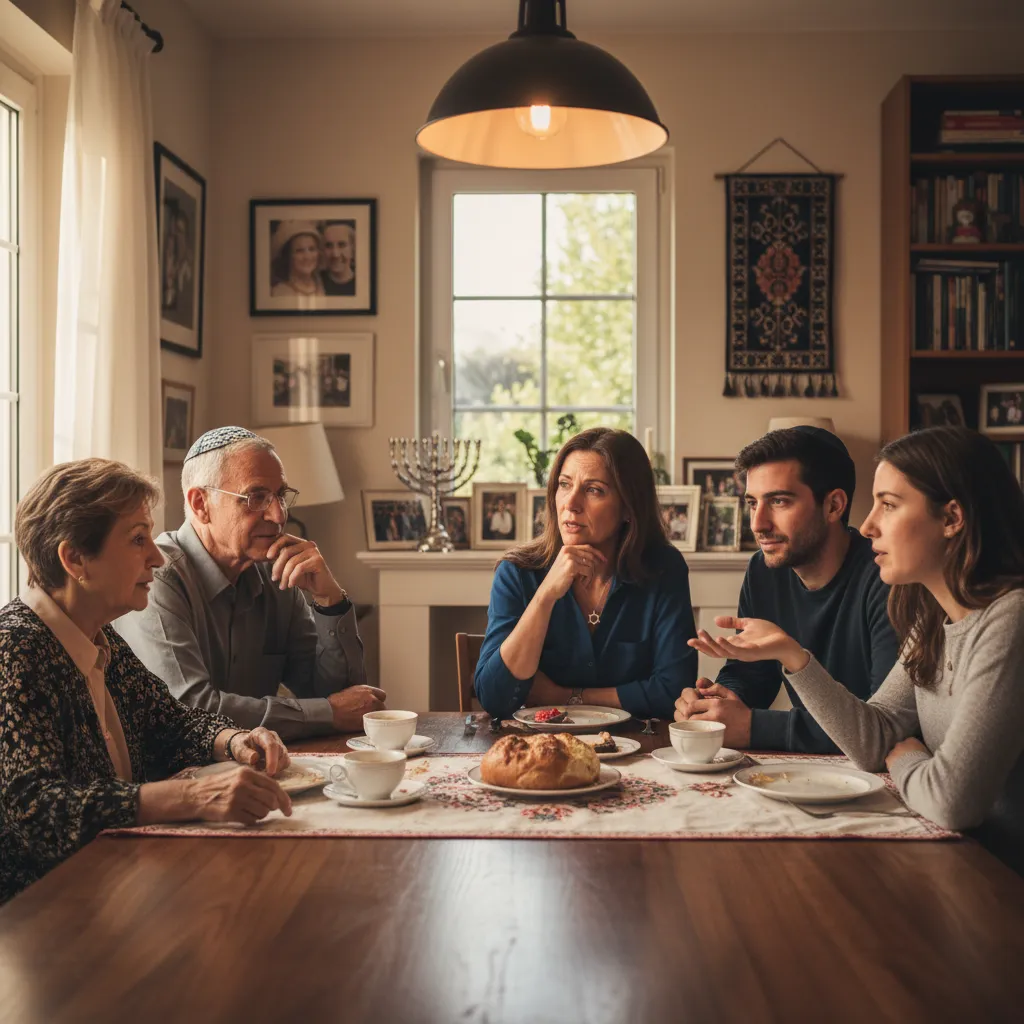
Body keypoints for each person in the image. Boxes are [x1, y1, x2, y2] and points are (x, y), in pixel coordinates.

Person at [689, 427, 1024, 873]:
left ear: (951, 518)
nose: (868, 526)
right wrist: (794, 658)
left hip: (1002, 874)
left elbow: (951, 800)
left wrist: (906, 755)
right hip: (955, 856)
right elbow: (873, 741)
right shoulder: (930, 616)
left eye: (888, 504)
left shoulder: (1010, 619)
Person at [0, 459, 294, 904]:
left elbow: (168, 722)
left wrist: (235, 739)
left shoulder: (98, 637)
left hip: (115, 887)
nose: (156, 555)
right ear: (75, 558)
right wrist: (193, 796)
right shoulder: (14, 650)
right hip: (41, 918)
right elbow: (44, 812)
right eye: (138, 539)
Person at [115, 427, 383, 741]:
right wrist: (327, 713)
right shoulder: (157, 578)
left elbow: (345, 699)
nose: (278, 514)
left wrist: (330, 600)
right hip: (177, 777)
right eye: (256, 497)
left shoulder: (276, 576)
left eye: (281, 495)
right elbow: (189, 710)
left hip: (261, 766)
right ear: (201, 503)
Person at [675, 427, 899, 753]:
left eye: (779, 501)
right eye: (753, 503)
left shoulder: (887, 579)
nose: (758, 523)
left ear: (834, 505)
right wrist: (718, 700)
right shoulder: (763, 571)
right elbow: (752, 673)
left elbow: (882, 728)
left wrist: (753, 727)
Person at [475, 427, 698, 721]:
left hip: (639, 749)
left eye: (594, 490)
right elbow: (494, 697)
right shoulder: (517, 572)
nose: (571, 503)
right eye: (564, 484)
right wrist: (544, 597)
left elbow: (674, 691)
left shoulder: (663, 569)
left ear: (629, 508)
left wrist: (564, 697)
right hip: (540, 749)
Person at [270, 221, 325, 299]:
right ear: (288, 255)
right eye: (299, 251)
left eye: (312, 249)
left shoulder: (322, 283)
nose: (307, 257)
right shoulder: (280, 293)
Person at [320, 220, 356, 296]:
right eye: (329, 246)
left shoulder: (364, 282)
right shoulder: (315, 283)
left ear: (352, 248)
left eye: (342, 245)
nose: (335, 254)